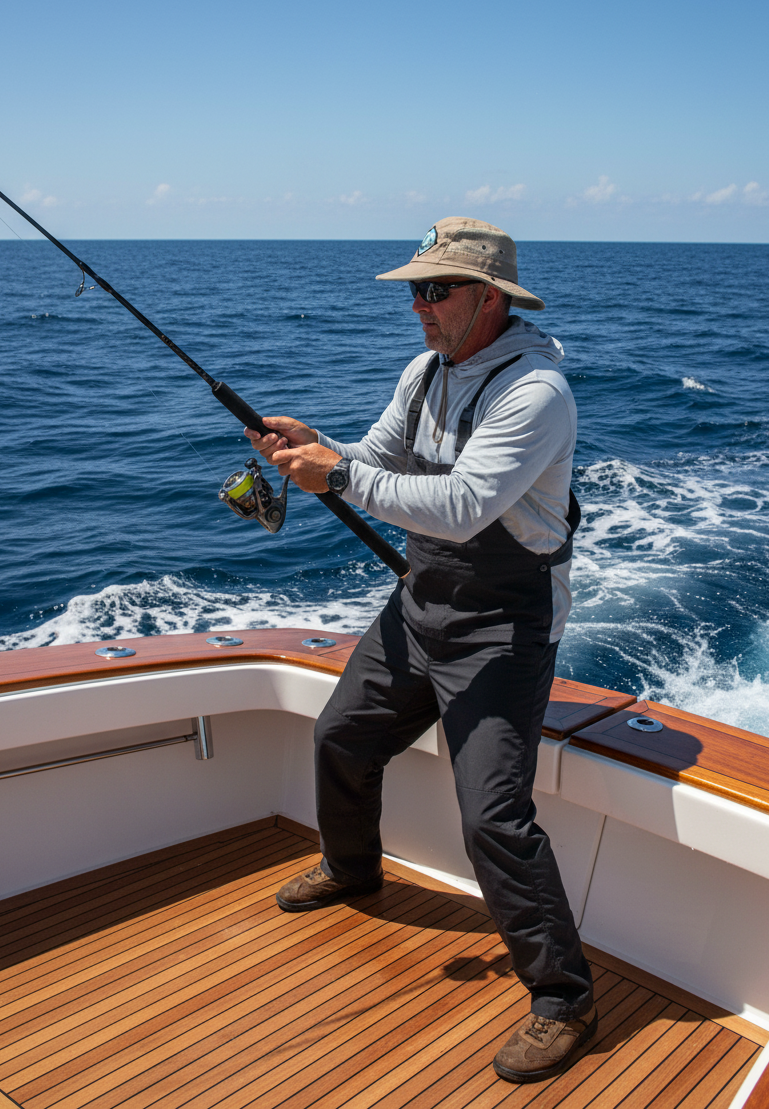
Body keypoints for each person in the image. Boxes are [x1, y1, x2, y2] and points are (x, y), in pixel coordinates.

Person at [245, 216, 596, 1084]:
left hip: (503, 631)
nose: (418, 307)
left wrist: (341, 475)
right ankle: (352, 869)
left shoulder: (535, 393)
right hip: (422, 605)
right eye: (415, 289)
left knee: (493, 818)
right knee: (340, 739)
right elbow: (375, 458)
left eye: (436, 290)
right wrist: (308, 449)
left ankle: (564, 998)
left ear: (489, 298)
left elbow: (467, 505)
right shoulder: (424, 371)